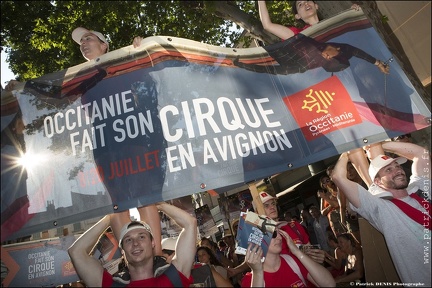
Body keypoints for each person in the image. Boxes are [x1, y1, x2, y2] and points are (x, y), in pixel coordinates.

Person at [71, 27, 167, 283]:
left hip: (133, 139)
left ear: (105, 46)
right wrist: (22, 91)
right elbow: (54, 101)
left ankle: (156, 258)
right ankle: (130, 264)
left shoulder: (123, 64)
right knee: (117, 203)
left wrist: (139, 52)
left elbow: (148, 83)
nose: (83, 43)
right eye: (81, 42)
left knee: (145, 198)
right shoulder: (79, 79)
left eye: (89, 38)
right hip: (104, 148)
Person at [331, 141, 431, 285]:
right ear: (378, 182)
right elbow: (338, 177)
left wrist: (379, 142)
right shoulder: (380, 209)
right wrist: (348, 152)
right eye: (388, 170)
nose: (397, 170)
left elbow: (422, 154)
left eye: (397, 166)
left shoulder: (419, 188)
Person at [68, 201, 197, 287]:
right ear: (122, 249)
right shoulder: (112, 285)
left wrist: (160, 205)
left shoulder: (174, 277)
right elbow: (75, 252)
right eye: (128, 240)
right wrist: (109, 219)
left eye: (141, 237)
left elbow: (190, 223)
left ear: (153, 242)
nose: (135, 243)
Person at [241, 228, 335, 287]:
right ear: (257, 242)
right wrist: (258, 273)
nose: (279, 237)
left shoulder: (292, 261)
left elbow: (330, 284)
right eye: (273, 234)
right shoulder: (250, 280)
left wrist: (298, 252)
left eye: (280, 233)